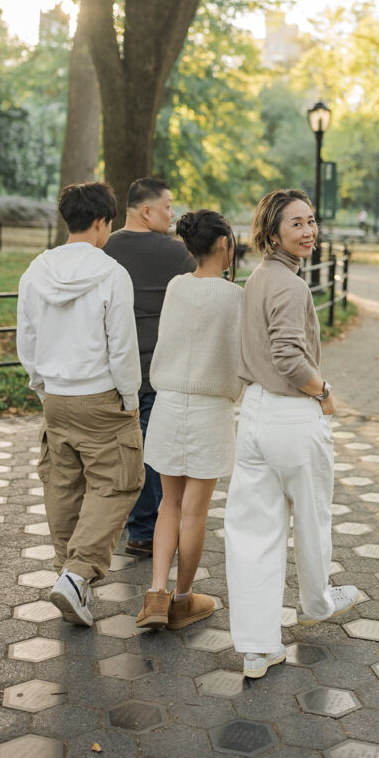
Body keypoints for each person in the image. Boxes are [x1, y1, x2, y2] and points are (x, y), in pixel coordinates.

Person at [224, 188, 358, 679]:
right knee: (312, 518)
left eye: (311, 221)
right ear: (273, 231)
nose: (309, 231)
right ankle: (318, 602)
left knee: (255, 533)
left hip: (256, 414)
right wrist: (323, 391)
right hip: (291, 414)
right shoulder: (291, 286)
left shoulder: (258, 277)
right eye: (296, 224)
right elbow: (287, 355)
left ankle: (258, 650)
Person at [17, 182, 144, 627]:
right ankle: (75, 575)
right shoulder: (111, 273)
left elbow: (26, 340)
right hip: (101, 397)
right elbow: (122, 348)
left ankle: (69, 580)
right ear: (101, 222)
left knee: (63, 486)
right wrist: (129, 398)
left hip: (56, 398)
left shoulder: (35, 271)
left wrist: (42, 387)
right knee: (119, 483)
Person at [135, 210, 243, 631]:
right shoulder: (236, 297)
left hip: (168, 403)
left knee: (168, 506)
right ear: (223, 245)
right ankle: (182, 600)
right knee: (195, 512)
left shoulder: (177, 287)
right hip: (210, 409)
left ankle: (155, 595)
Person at [104, 177, 196, 557]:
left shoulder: (103, 248)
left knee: (122, 452)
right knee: (155, 455)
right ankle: (147, 530)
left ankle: (134, 526)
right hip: (159, 370)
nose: (172, 214)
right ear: (146, 210)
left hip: (111, 371)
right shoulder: (176, 254)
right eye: (168, 206)